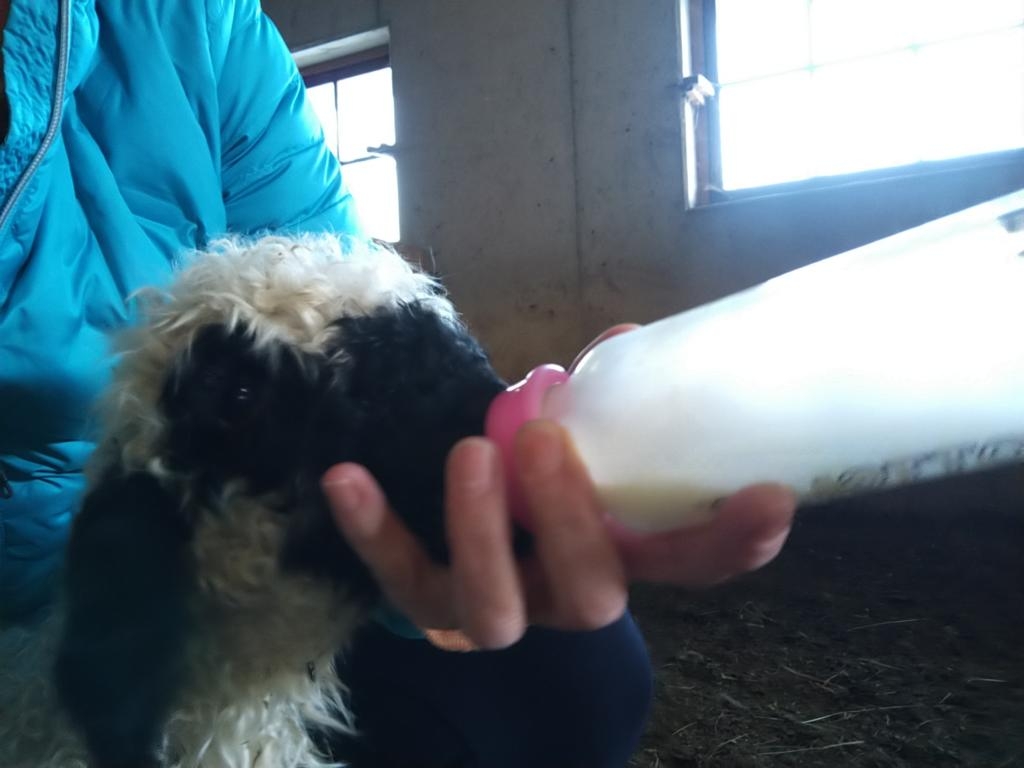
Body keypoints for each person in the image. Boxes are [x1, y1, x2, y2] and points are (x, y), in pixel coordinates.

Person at [0, 1, 796, 766]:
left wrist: (513, 463)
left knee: (573, 676)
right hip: (94, 558)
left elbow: (328, 278)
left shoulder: (195, 21)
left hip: (223, 544)